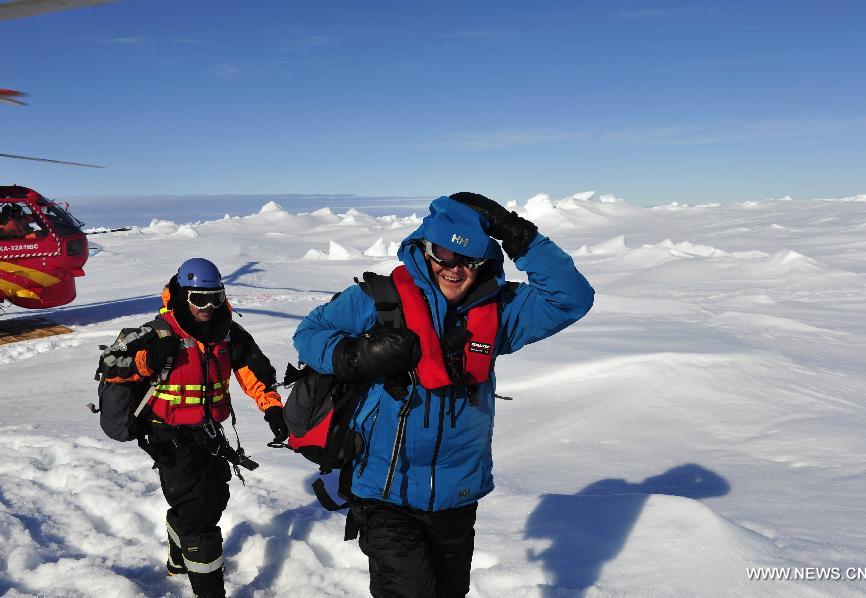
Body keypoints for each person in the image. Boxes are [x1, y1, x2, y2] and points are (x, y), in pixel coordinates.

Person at [293, 193, 594, 597]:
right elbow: (309, 334)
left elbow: (572, 298)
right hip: (384, 491)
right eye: (444, 255)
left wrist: (517, 233)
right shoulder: (380, 301)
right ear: (423, 248)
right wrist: (354, 356)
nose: (454, 269)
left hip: (457, 495)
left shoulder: (500, 313)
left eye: (468, 260)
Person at [98, 258, 289, 597]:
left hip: (210, 433)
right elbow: (110, 363)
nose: (208, 307)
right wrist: (146, 361)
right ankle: (209, 589)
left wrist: (272, 409)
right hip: (166, 434)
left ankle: (178, 553)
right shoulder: (157, 332)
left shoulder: (228, 335)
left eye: (215, 297)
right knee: (200, 517)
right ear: (184, 296)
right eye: (199, 299)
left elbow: (254, 373)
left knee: (214, 497)